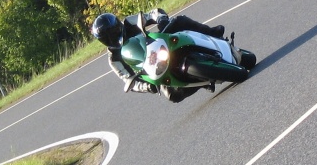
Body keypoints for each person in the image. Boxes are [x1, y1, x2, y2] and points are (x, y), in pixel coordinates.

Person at [91, 9, 225, 103]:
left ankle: (213, 32)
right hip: (153, 70)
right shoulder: (113, 59)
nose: (113, 36)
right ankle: (202, 83)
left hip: (159, 44)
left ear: (117, 25)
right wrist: (147, 87)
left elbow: (152, 14)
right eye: (107, 37)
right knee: (172, 95)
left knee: (180, 21)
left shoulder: (128, 23)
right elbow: (128, 80)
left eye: (113, 31)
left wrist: (161, 19)